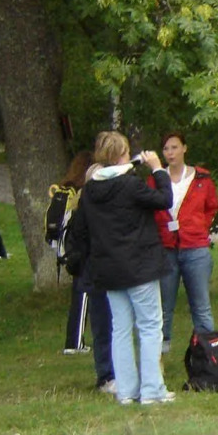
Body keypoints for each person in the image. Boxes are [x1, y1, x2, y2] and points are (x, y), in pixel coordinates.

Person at [67, 132, 175, 405]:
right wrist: (158, 170)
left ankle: (126, 391)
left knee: (121, 330)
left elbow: (82, 229)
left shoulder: (91, 190)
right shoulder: (129, 185)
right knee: (150, 326)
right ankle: (152, 389)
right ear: (120, 155)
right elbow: (164, 200)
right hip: (138, 266)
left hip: (109, 269)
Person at [150, 131, 218, 355]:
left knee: (201, 305)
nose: (170, 153)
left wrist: (198, 228)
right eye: (166, 149)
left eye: (174, 147)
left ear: (184, 148)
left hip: (195, 248)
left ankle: (208, 352)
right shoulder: (156, 179)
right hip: (167, 248)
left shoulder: (202, 178)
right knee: (163, 306)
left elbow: (212, 207)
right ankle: (159, 354)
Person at [56, 151, 116, 392]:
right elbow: (80, 241)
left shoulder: (104, 205)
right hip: (94, 269)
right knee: (102, 322)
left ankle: (116, 370)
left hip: (108, 268)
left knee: (114, 323)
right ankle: (105, 374)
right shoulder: (84, 206)